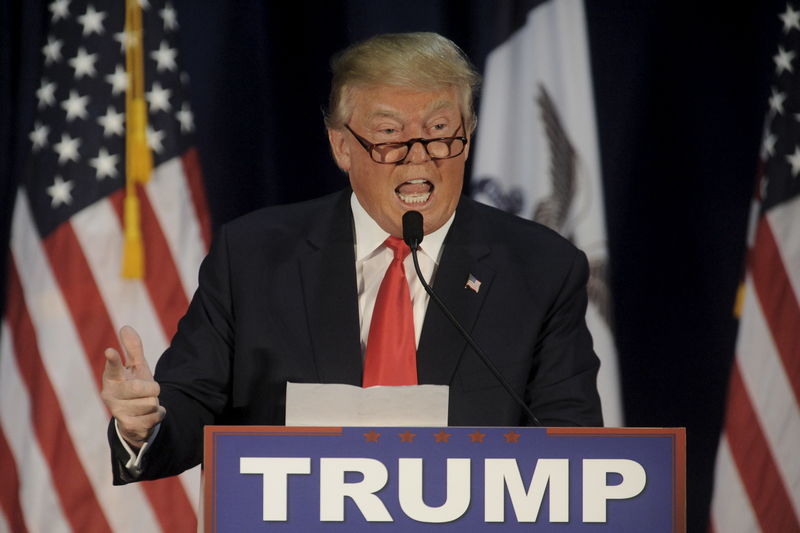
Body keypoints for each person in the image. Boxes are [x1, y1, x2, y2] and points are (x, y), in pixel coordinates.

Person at [102, 32, 602, 484]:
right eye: (389, 136)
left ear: (467, 137)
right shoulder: (255, 256)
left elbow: (568, 444)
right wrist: (145, 425)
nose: (420, 156)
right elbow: (191, 403)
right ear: (342, 147)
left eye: (441, 130)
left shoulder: (540, 268)